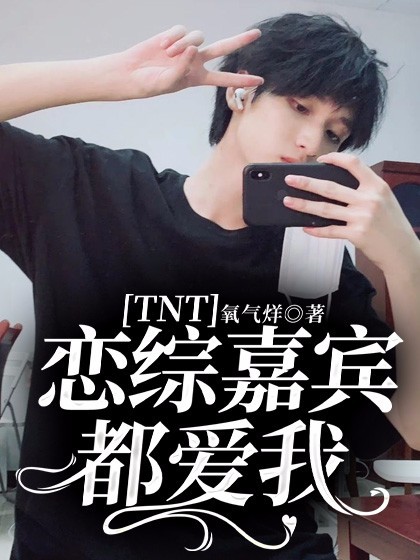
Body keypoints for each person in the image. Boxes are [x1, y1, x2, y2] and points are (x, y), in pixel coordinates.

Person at [1, 12, 419, 560]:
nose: (310, 141)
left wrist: (406, 260)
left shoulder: (316, 266)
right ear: (240, 91)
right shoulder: (92, 192)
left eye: (333, 133)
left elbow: (414, 425)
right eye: (299, 106)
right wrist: (109, 76)